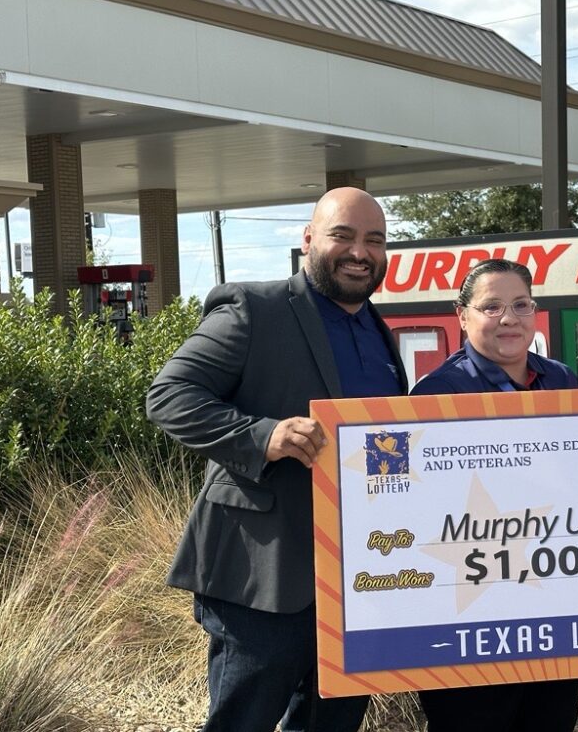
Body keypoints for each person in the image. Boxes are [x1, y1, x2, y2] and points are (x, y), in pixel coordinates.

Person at [146, 187, 407, 732]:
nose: (359, 251)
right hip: (261, 574)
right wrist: (263, 435)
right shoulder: (253, 308)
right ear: (309, 238)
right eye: (343, 235)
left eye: (374, 240)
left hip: (359, 577)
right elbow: (170, 396)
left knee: (331, 724)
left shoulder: (380, 333)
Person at [411, 258, 578, 732]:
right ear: (462, 315)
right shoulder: (436, 394)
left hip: (551, 601)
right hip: (473, 607)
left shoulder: (563, 381)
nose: (509, 318)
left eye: (521, 305)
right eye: (492, 306)